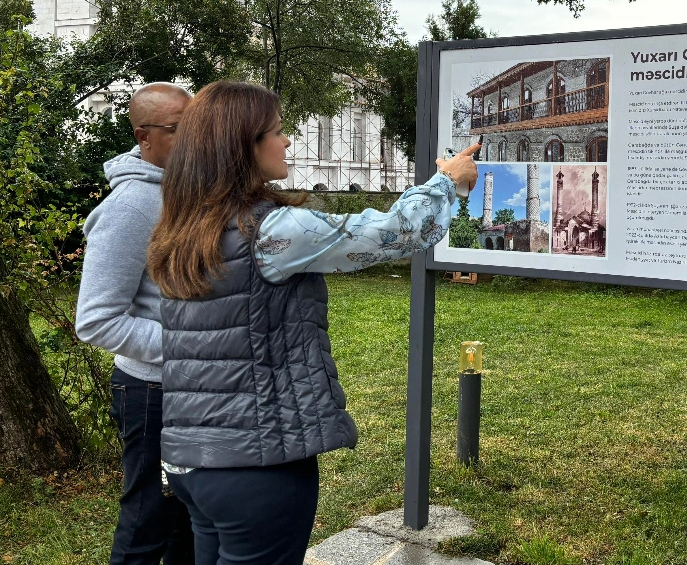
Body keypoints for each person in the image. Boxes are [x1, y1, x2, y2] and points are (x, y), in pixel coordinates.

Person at [146, 81, 479, 565]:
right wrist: (447, 181)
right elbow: (389, 235)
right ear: (244, 146)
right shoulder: (268, 230)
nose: (288, 142)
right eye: (277, 132)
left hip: (191, 461)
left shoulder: (182, 226)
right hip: (257, 466)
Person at [75, 82, 195, 565]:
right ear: (144, 137)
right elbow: (97, 321)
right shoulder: (131, 207)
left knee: (187, 518)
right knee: (149, 520)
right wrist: (189, 345)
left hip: (191, 388)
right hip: (151, 394)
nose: (191, 140)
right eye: (177, 130)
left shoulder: (183, 191)